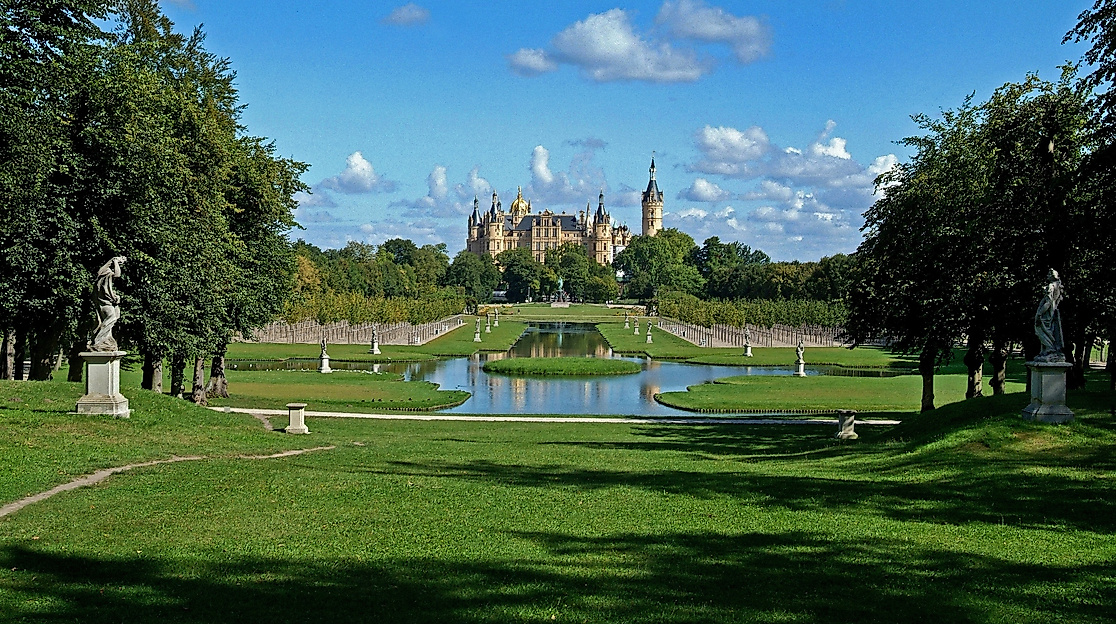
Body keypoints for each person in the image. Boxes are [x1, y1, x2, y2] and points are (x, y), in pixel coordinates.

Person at [90, 256, 126, 351]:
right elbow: (117, 274)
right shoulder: (107, 274)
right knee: (111, 318)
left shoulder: (102, 277)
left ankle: (105, 340)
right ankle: (98, 340)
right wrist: (116, 262)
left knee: (110, 321)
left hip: (105, 304)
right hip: (105, 304)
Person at [1034, 269, 1065, 362]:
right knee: (1048, 331)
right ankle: (1046, 350)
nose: (1047, 276)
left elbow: (1048, 301)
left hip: (1046, 314)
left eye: (1048, 274)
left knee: (1041, 331)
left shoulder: (1051, 286)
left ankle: (1049, 349)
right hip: (1051, 312)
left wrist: (1039, 314)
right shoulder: (1058, 286)